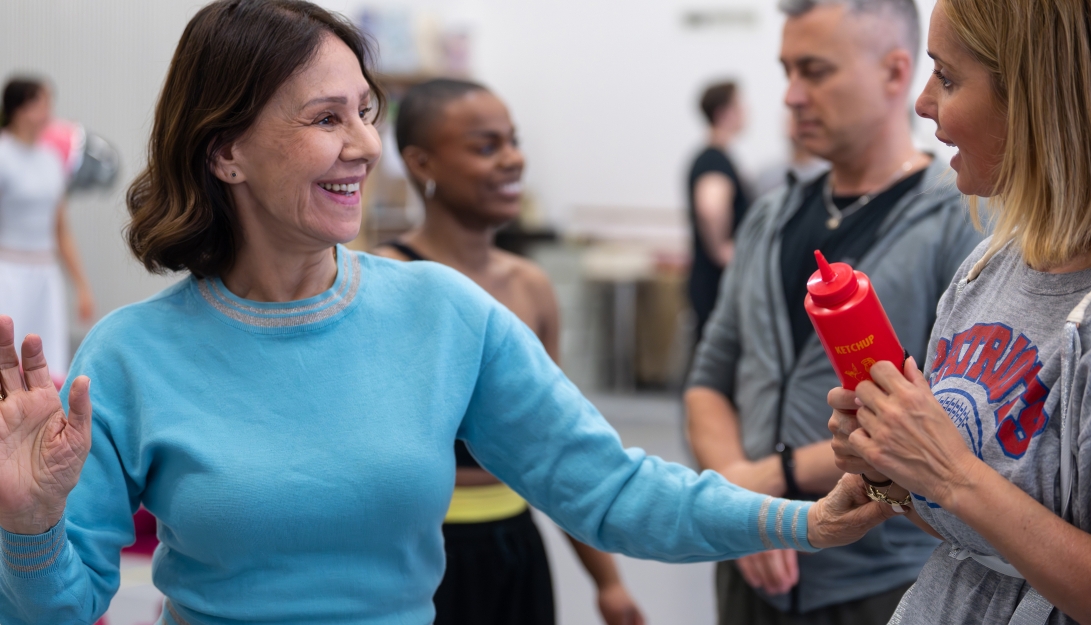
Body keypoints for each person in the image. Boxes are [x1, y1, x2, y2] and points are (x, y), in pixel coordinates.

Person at [0, 2, 905, 623]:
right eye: (325, 118)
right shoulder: (128, 355)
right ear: (227, 151)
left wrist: (802, 518)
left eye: (366, 111)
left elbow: (609, 487)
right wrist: (27, 524)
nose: (363, 145)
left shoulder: (442, 312)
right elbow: (62, 604)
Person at [828, 0, 1091, 623]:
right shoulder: (989, 270)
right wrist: (895, 467)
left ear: (1040, 104)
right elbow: (988, 532)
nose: (923, 102)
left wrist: (949, 475)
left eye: (947, 77)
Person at [685, 0, 983, 623]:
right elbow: (711, 375)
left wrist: (768, 481)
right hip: (753, 562)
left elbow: (953, 415)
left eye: (815, 71)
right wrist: (745, 506)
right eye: (787, 70)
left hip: (880, 577)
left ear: (895, 73)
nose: (792, 95)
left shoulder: (959, 224)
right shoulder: (770, 216)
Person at [372, 78, 644, 625]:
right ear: (422, 162)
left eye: (513, 141)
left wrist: (608, 582)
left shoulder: (530, 287)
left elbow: (555, 447)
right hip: (418, 554)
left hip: (514, 547)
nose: (512, 160)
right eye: (485, 146)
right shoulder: (386, 282)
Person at [0, 77, 94, 382]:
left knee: (46, 361)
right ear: (19, 108)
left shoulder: (52, 160)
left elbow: (60, 228)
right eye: (39, 104)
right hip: (7, 273)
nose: (47, 112)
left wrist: (81, 285)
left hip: (45, 275)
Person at [688, 80, 751, 342]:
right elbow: (710, 207)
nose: (746, 111)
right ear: (725, 112)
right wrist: (723, 250)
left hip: (710, 280)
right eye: (740, 104)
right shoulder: (714, 159)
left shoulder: (713, 157)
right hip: (715, 283)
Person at [753, 113, 829, 198]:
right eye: (793, 122)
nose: (797, 130)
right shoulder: (768, 176)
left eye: (803, 123)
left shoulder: (829, 173)